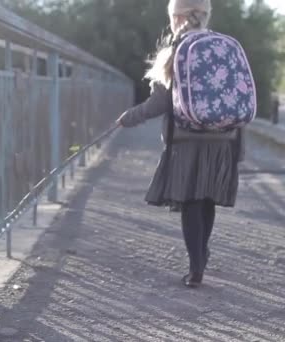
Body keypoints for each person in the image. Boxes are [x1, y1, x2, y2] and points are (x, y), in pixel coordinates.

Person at [116, 0, 245, 288]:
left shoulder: (175, 51)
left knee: (191, 201)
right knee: (208, 198)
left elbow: (159, 103)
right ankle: (202, 254)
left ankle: (196, 264)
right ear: (206, 15)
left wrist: (129, 117)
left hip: (187, 140)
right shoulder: (226, 47)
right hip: (223, 139)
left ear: (177, 17)